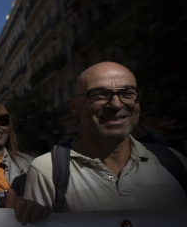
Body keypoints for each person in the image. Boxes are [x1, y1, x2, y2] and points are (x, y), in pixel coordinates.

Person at [25, 62, 187, 212]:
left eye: (128, 93)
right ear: (74, 106)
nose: (116, 104)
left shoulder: (174, 162)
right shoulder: (47, 171)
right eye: (99, 95)